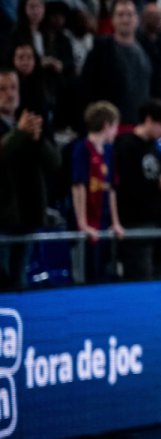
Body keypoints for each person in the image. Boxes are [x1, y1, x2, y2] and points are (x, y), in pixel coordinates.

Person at [0, 70, 59, 290]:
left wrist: (37, 140)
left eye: (13, 87)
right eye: (3, 89)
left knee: (19, 281)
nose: (9, 94)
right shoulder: (21, 128)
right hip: (2, 220)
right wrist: (20, 133)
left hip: (27, 215)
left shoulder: (30, 123)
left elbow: (55, 162)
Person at [113, 100, 161, 280]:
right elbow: (127, 184)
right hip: (136, 221)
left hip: (157, 220)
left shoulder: (152, 146)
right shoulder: (126, 145)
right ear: (149, 119)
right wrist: (159, 183)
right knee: (141, 275)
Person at [72, 101, 125, 281]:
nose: (117, 132)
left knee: (104, 272)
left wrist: (116, 222)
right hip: (88, 221)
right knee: (89, 273)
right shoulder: (82, 149)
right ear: (107, 125)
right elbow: (78, 186)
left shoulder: (109, 151)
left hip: (103, 221)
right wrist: (82, 223)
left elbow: (111, 188)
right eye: (115, 126)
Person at [80, 0, 152, 125]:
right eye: (120, 15)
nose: (125, 19)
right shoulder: (100, 50)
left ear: (137, 19)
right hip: (108, 126)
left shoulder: (147, 49)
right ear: (112, 20)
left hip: (138, 125)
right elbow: (87, 88)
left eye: (129, 14)